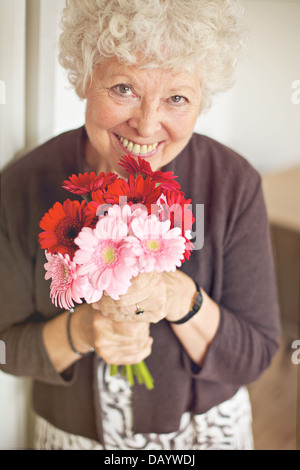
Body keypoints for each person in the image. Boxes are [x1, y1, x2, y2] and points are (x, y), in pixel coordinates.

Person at [0, 0, 280, 450]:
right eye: (124, 87)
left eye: (177, 98)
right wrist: (86, 328)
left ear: (201, 99)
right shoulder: (22, 186)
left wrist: (177, 296)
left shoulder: (234, 183)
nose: (147, 126)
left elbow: (256, 355)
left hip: (203, 433)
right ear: (84, 77)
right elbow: (6, 349)